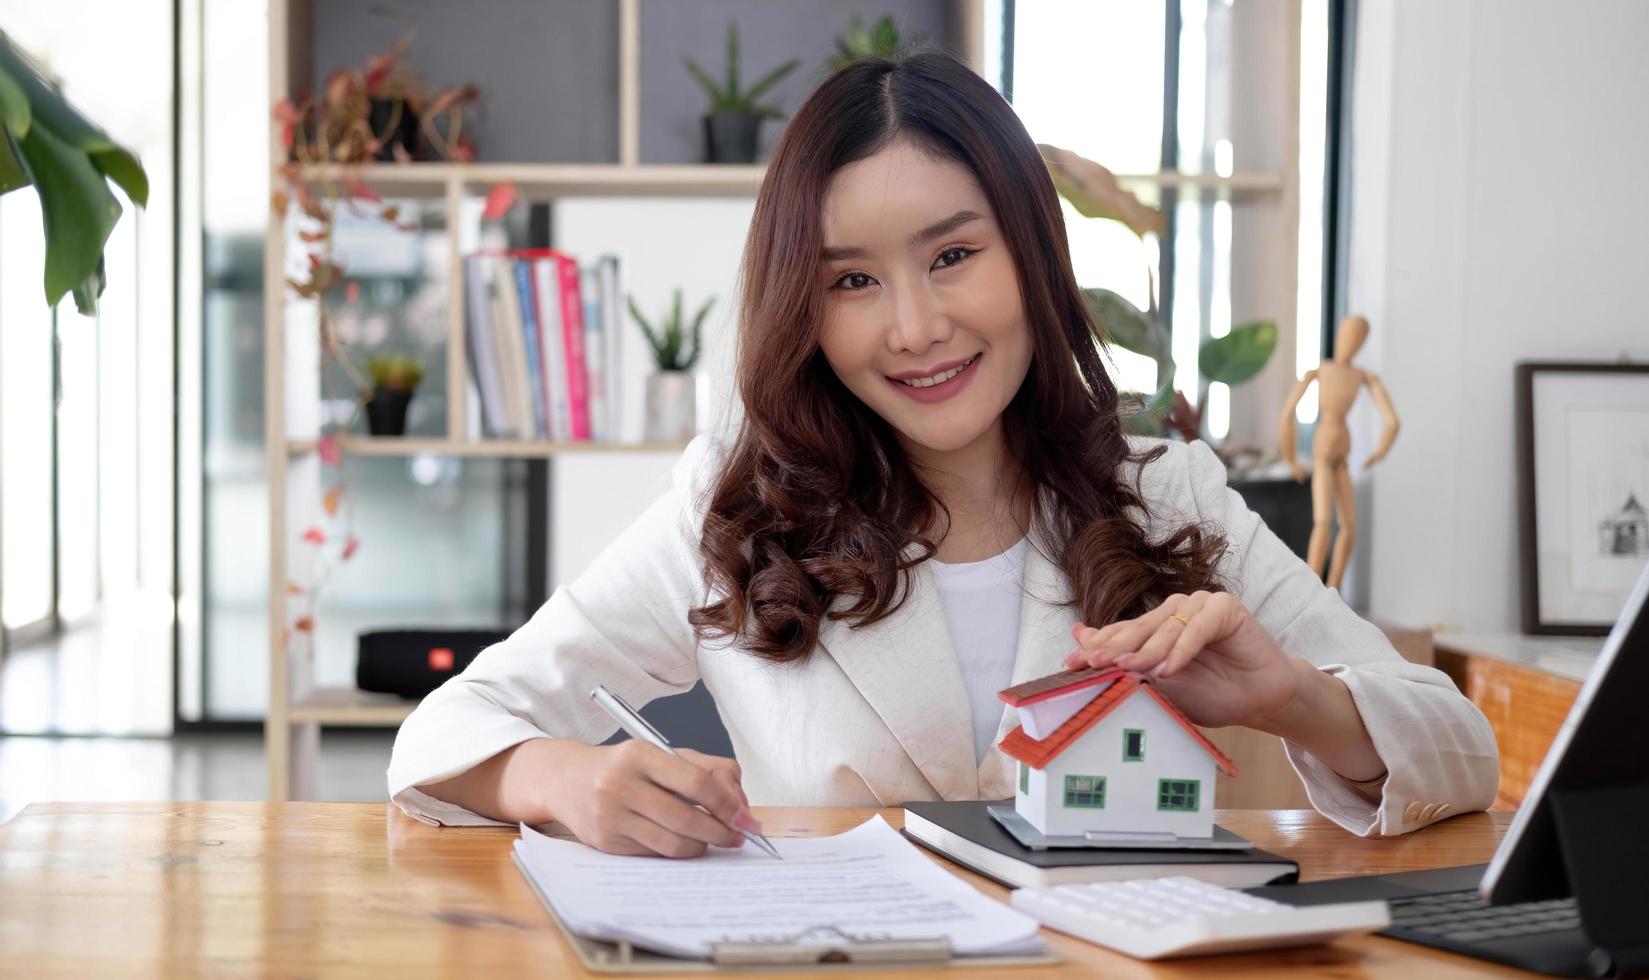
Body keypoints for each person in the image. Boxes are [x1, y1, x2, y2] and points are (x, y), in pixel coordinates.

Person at [387, 49, 1497, 858]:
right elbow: (448, 726)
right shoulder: (732, 504)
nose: (912, 326)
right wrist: (568, 779)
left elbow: (1459, 751)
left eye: (952, 255)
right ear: (803, 309)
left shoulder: (1167, 492)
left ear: (1030, 249)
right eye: (851, 280)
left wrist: (1292, 696)